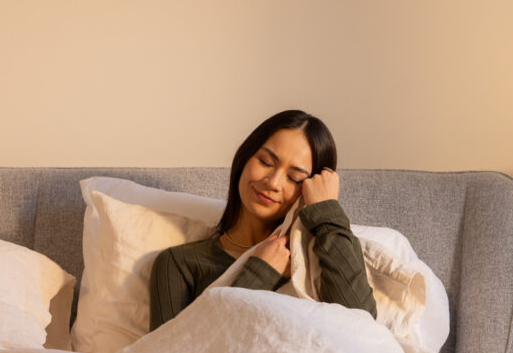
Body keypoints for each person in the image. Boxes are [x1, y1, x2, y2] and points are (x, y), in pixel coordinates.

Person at [149, 110, 377, 330]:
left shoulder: (325, 254)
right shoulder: (179, 264)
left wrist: (326, 210)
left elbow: (363, 326)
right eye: (266, 162)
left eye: (295, 178)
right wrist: (260, 273)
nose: (273, 182)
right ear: (245, 158)